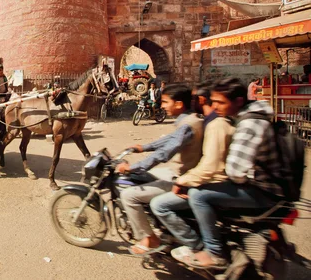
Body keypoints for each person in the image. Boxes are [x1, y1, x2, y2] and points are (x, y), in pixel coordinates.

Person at [172, 78, 284, 270]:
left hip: (262, 190)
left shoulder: (250, 124)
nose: (214, 106)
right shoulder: (249, 116)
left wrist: (198, 179)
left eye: (220, 102)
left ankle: (214, 252)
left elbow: (236, 173)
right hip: (266, 183)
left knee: (198, 196)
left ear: (239, 101)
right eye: (214, 101)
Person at [116, 84, 203, 255]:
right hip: (180, 172)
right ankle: (158, 225)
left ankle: (149, 238)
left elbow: (164, 153)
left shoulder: (187, 125)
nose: (162, 106)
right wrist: (144, 147)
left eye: (165, 102)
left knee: (129, 195)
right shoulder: (191, 119)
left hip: (181, 177)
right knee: (144, 176)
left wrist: (131, 167)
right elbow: (170, 139)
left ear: (178, 104)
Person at [150, 82, 234, 256]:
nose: (190, 100)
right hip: (206, 176)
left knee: (160, 204)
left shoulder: (213, 124)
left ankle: (204, 249)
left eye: (194, 98)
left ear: (201, 100)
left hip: (210, 180)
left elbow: (211, 165)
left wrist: (184, 180)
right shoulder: (205, 121)